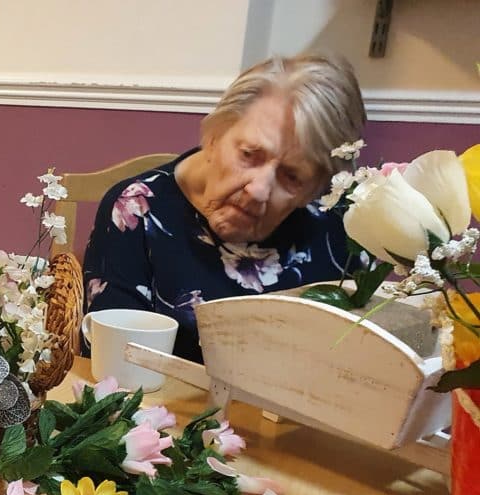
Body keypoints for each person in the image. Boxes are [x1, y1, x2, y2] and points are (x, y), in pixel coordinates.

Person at [83, 53, 367, 363]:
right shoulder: (135, 209)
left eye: (292, 176)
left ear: (315, 188)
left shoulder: (341, 226)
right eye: (249, 154)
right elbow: (113, 364)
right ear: (214, 136)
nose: (259, 189)